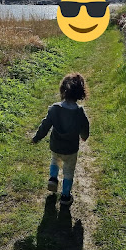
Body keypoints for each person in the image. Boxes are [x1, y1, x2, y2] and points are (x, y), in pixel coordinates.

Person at [31, 73, 89, 206]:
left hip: (56, 146)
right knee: (68, 171)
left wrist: (36, 138)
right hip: (71, 149)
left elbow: (45, 125)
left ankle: (53, 179)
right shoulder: (79, 112)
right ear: (80, 93)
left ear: (63, 90)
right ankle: (65, 196)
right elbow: (85, 127)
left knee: (54, 160)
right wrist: (84, 136)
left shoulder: (54, 109)